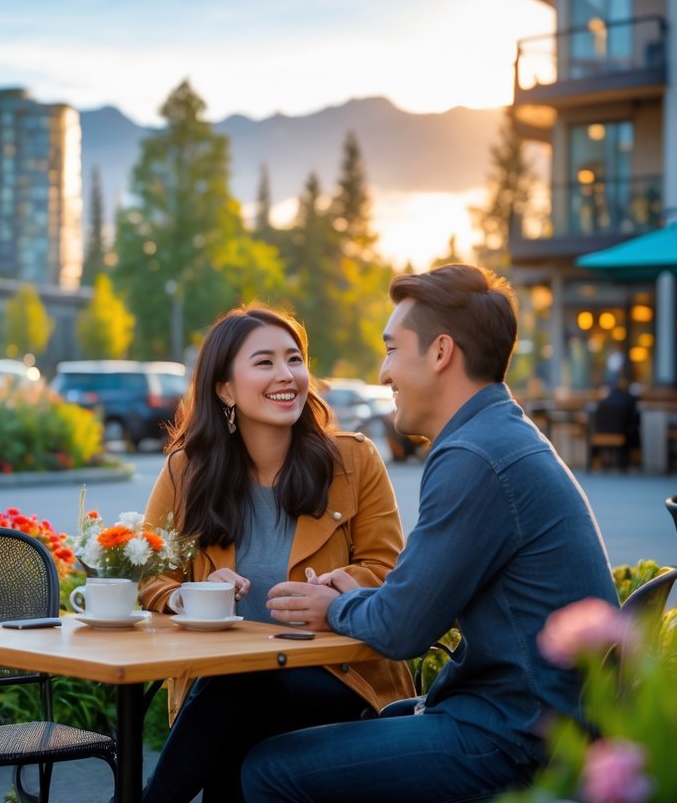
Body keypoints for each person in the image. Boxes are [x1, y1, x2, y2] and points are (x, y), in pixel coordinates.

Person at [243, 264, 619, 802]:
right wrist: (364, 598)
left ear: (441, 353)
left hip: (519, 740)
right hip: (537, 720)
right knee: (371, 720)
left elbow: (401, 632)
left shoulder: (474, 456)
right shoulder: (499, 434)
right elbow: (415, 602)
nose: (383, 374)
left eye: (393, 349)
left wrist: (333, 609)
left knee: (269, 768)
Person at [137, 305, 414, 803]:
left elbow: (388, 570)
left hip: (343, 682)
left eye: (294, 359)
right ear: (225, 388)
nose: (286, 375)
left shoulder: (354, 460)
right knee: (239, 713)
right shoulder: (187, 471)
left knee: (239, 685)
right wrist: (193, 595)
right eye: (264, 362)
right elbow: (152, 575)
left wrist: (333, 593)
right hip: (232, 691)